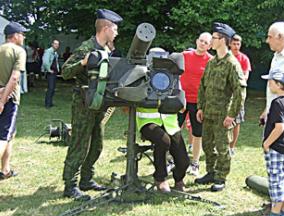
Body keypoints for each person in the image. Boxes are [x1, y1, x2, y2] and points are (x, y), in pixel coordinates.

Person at [61, 9, 122, 201]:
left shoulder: (106, 49)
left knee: (97, 145)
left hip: (99, 103)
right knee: (79, 144)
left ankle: (87, 179)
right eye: (115, 28)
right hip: (83, 103)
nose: (117, 33)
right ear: (105, 28)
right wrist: (83, 62)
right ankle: (70, 185)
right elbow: (65, 72)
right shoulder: (87, 47)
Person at [194, 22, 245, 192]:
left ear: (222, 40)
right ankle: (211, 172)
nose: (211, 41)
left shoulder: (232, 64)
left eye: (214, 38)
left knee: (223, 147)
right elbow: (202, 86)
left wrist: (232, 115)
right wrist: (200, 107)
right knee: (208, 145)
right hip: (208, 112)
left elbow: (240, 92)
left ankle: (221, 177)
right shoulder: (212, 62)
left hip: (223, 115)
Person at [251, 70, 284, 216]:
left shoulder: (277, 103)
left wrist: (267, 143)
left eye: (271, 81)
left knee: (276, 183)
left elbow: (279, 127)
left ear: (278, 84)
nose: (268, 84)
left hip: (276, 148)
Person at [177, 32, 212, 176]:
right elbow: (176, 75)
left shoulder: (211, 61)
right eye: (201, 41)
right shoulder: (184, 56)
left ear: (210, 46)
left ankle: (195, 163)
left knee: (197, 133)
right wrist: (179, 96)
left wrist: (203, 105)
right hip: (181, 100)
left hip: (198, 103)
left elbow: (209, 84)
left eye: (206, 42)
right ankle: (173, 160)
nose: (202, 44)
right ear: (196, 41)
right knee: (174, 130)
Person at [136, 107, 189, 192]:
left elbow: (181, 104)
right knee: (163, 141)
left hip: (170, 123)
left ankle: (179, 179)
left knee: (184, 161)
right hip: (147, 122)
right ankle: (160, 178)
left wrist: (181, 103)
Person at [0, 22, 28, 180]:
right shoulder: (19, 51)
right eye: (22, 34)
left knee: (10, 134)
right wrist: (2, 101)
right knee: (3, 136)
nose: (23, 37)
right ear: (15, 35)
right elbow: (15, 77)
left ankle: (5, 170)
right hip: (9, 99)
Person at [228, 34, 252, 156]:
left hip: (237, 95)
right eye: (234, 44)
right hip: (224, 95)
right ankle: (223, 145)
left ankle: (232, 147)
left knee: (236, 121)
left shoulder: (244, 59)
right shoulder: (224, 57)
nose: (236, 46)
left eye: (238, 44)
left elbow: (245, 77)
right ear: (229, 44)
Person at [42, 39, 60, 108]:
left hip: (54, 72)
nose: (56, 45)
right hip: (50, 72)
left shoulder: (55, 53)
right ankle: (47, 104)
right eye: (55, 44)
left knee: (52, 88)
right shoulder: (49, 51)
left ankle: (50, 102)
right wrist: (49, 70)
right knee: (50, 88)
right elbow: (45, 62)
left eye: (58, 44)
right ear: (52, 44)